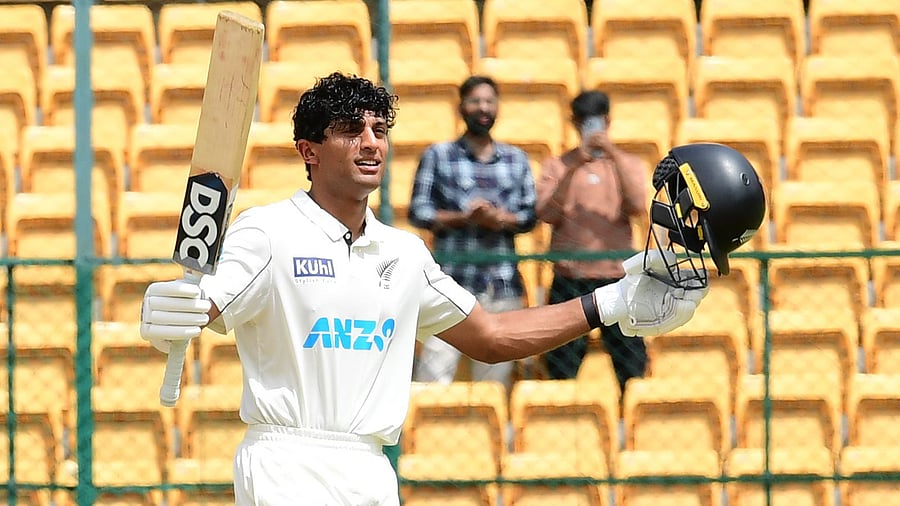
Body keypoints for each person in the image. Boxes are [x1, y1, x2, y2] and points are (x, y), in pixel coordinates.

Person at [139, 72, 759, 506]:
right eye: (350, 130)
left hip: (371, 470)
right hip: (287, 463)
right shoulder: (267, 231)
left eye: (379, 129)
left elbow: (489, 337)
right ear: (308, 149)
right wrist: (178, 308)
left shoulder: (405, 252)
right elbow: (207, 302)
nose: (371, 142)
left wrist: (611, 303)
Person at [406, 75, 536, 391]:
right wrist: (464, 217)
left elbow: (529, 215)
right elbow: (418, 211)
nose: (483, 108)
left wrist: (498, 219)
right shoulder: (438, 155)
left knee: (493, 383)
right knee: (434, 378)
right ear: (461, 107)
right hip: (449, 284)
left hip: (501, 285)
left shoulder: (516, 159)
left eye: (489, 101)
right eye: (475, 101)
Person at [535, 90, 649, 389]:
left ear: (608, 121)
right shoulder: (558, 166)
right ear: (574, 123)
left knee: (632, 368)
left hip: (617, 280)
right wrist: (575, 166)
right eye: (584, 122)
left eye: (596, 122)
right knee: (561, 367)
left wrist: (611, 153)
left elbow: (638, 205)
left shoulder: (627, 164)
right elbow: (545, 213)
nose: (591, 129)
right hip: (570, 279)